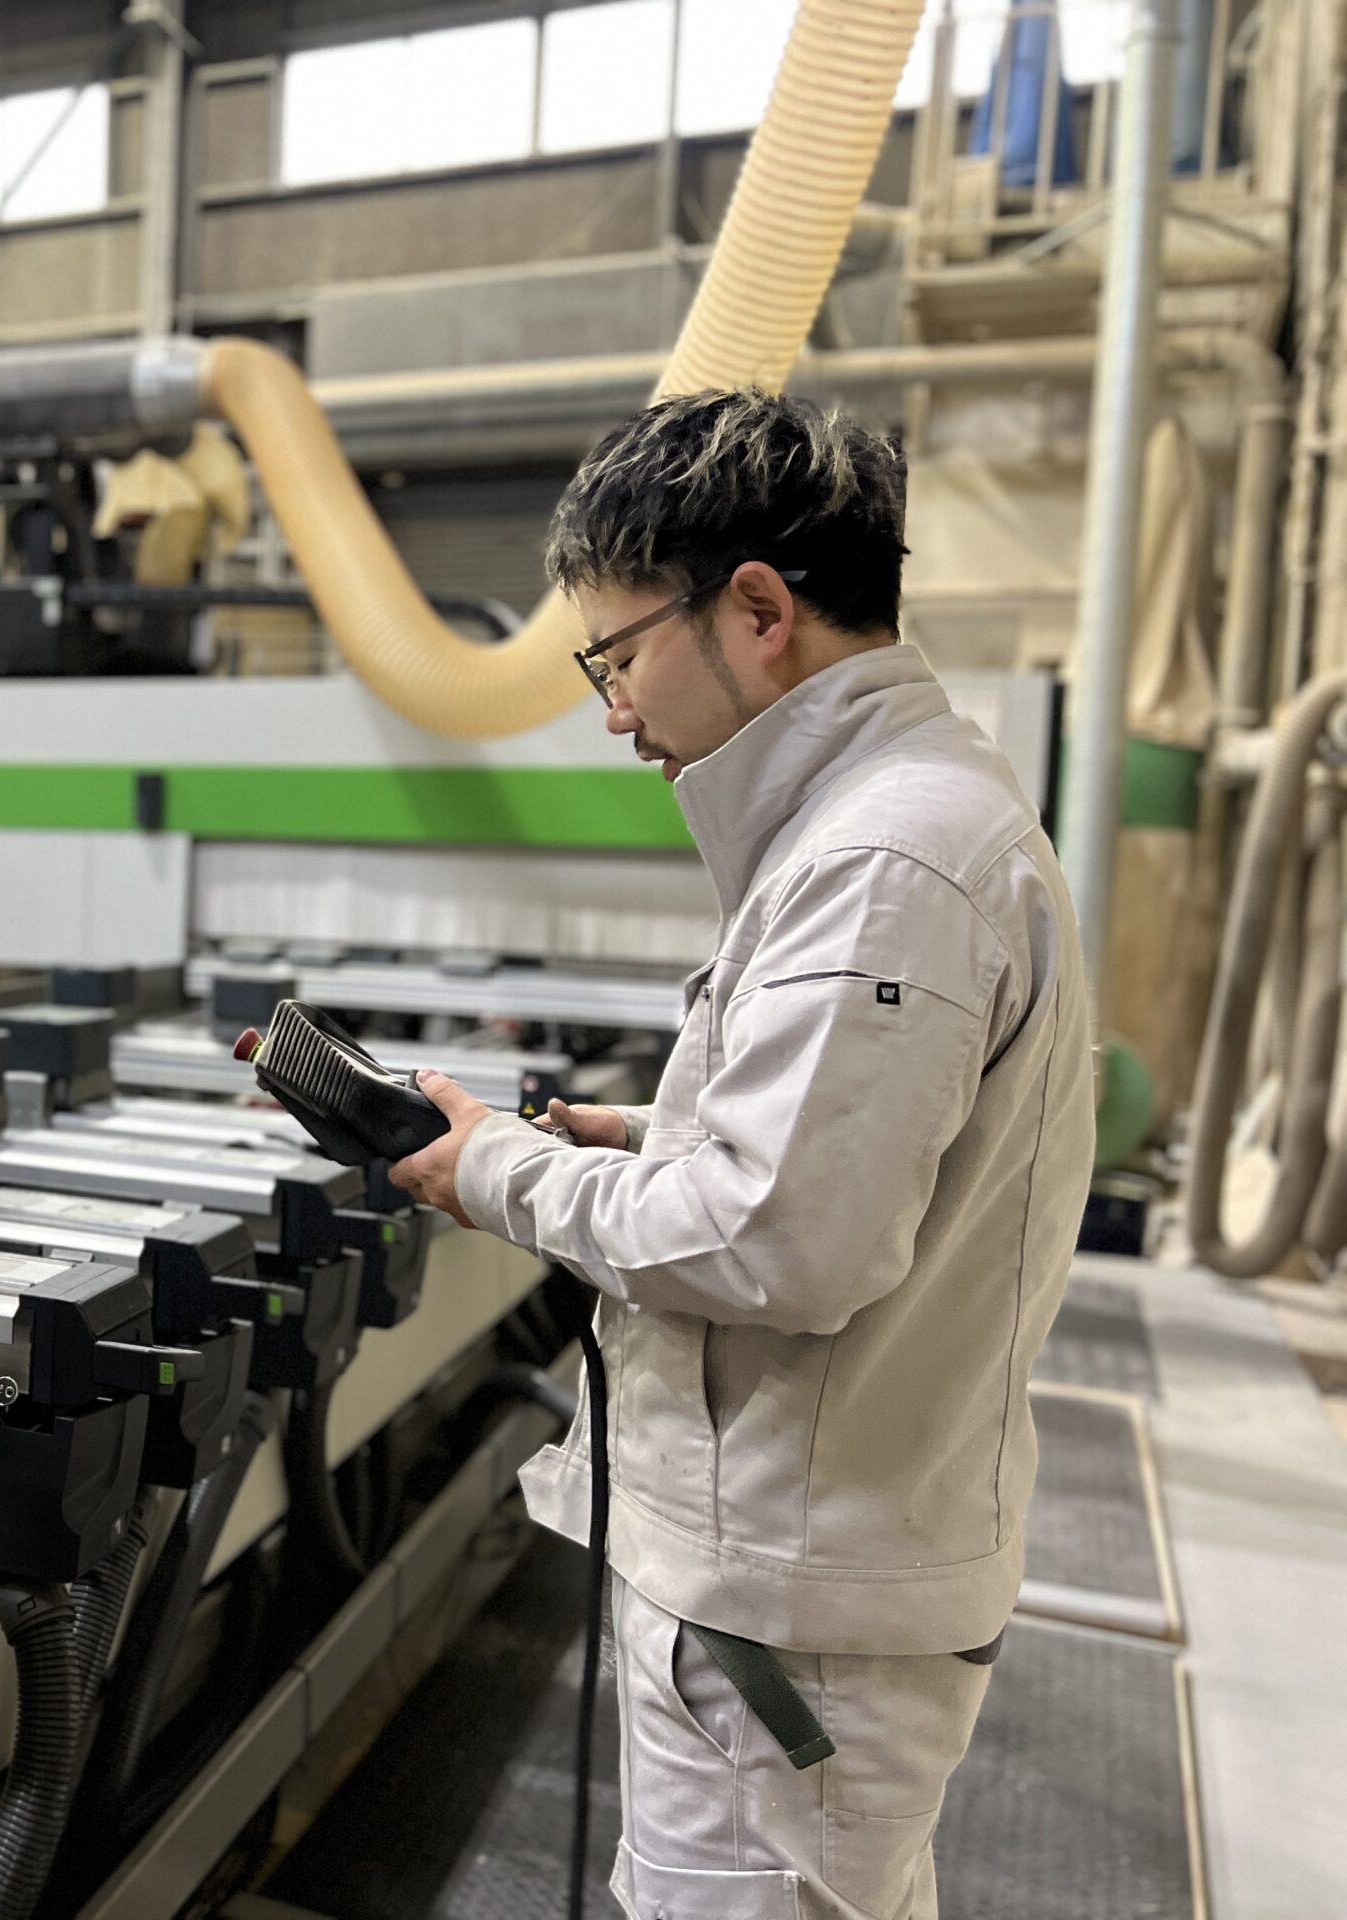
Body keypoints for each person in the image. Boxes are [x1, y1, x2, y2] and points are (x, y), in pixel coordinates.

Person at [389, 389, 1094, 1920]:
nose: (613, 708)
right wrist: (648, 1140)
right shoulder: (892, 823)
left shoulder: (884, 860)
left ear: (759, 611)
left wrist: (496, 1172)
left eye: (618, 655)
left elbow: (784, 1243)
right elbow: (850, 1157)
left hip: (798, 1612)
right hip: (799, 1586)